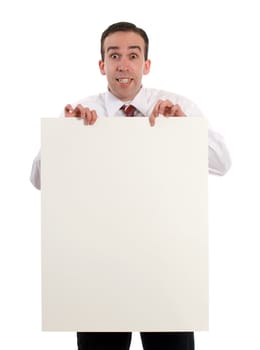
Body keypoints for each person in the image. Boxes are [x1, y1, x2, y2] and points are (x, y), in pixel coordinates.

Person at [30, 21, 231, 350]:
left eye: (133, 56)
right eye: (114, 55)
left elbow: (223, 163)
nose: (123, 64)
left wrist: (185, 130)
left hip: (166, 272)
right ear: (102, 64)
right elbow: (39, 179)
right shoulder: (85, 111)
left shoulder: (175, 106)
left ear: (146, 64)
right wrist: (65, 139)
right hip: (100, 272)